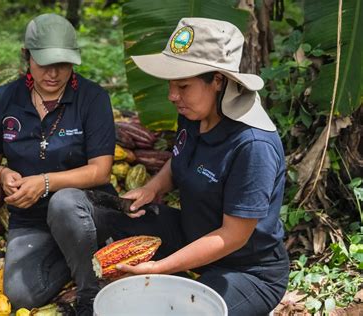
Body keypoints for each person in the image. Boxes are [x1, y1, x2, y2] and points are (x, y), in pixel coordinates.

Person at [64, 17, 289, 315]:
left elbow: (233, 236)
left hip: (246, 269)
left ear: (218, 81)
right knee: (89, 210)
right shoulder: (197, 112)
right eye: (170, 85)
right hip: (190, 233)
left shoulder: (252, 145)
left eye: (183, 85)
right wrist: (152, 187)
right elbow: (182, 157)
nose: (172, 96)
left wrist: (161, 267)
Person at [0, 13, 116, 315]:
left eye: (63, 65)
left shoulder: (92, 98)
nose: (53, 74)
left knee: (64, 203)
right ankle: (82, 257)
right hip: (30, 216)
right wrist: (1, 173)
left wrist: (46, 182)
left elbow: (101, 169)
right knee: (22, 295)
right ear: (27, 57)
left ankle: (90, 295)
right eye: (43, 64)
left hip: (86, 208)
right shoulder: (5, 99)